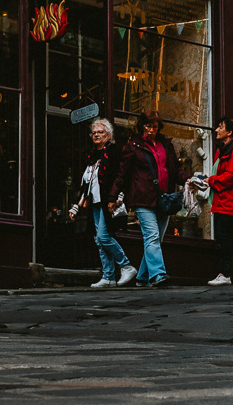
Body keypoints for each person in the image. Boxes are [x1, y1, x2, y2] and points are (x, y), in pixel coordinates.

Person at [114, 110, 180, 287]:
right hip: (142, 198)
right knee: (151, 236)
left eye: (155, 127)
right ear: (141, 126)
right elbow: (122, 174)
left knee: (156, 239)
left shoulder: (166, 145)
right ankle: (158, 275)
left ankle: (142, 277)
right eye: (149, 126)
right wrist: (113, 196)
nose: (152, 130)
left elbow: (176, 168)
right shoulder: (133, 146)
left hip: (164, 198)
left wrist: (188, 179)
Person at [69, 118, 135, 288]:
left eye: (100, 132)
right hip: (96, 202)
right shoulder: (91, 155)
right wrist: (76, 207)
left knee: (103, 237)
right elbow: (87, 183)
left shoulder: (113, 151)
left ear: (109, 135)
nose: (96, 135)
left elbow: (121, 177)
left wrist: (116, 198)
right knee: (99, 240)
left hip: (108, 201)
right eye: (94, 132)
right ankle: (108, 277)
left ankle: (126, 265)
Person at [206, 118, 233, 284]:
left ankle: (225, 274)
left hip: (230, 202)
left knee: (224, 238)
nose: (217, 130)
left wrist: (211, 181)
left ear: (229, 132)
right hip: (224, 201)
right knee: (228, 239)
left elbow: (231, 176)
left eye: (220, 127)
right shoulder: (224, 150)